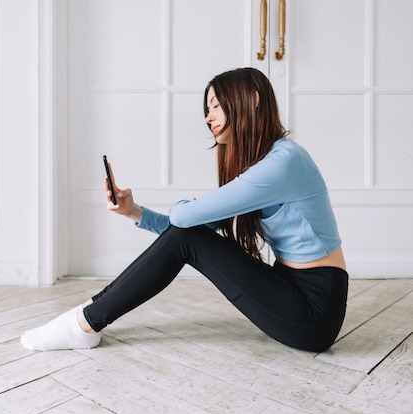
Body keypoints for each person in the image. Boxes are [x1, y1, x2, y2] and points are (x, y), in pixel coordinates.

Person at [20, 67, 348, 353]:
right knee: (188, 237)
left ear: (253, 99)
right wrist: (134, 211)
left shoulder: (284, 162)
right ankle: (89, 316)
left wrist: (184, 212)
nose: (208, 117)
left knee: (186, 236)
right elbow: (188, 231)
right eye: (208, 109)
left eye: (216, 106)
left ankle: (84, 323)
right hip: (291, 285)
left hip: (314, 309)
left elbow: (183, 220)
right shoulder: (266, 163)